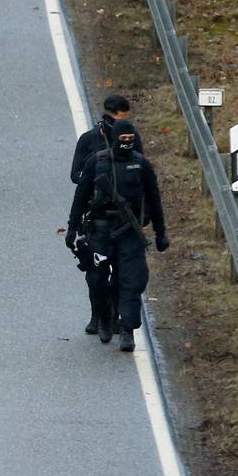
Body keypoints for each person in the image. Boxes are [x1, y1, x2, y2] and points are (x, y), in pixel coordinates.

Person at [67, 121, 168, 351]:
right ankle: (104, 317)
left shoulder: (141, 165)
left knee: (132, 281)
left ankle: (127, 329)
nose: (126, 144)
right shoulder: (97, 162)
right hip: (100, 231)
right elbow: (81, 195)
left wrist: (161, 232)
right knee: (97, 280)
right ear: (114, 139)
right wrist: (72, 227)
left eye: (129, 140)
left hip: (130, 233)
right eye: (122, 139)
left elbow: (154, 199)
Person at [70, 95, 148, 334]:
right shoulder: (89, 140)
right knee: (95, 274)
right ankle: (98, 314)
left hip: (124, 220)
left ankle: (115, 314)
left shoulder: (132, 140)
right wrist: (97, 176)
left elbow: (142, 174)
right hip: (96, 215)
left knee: (123, 272)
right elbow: (75, 175)